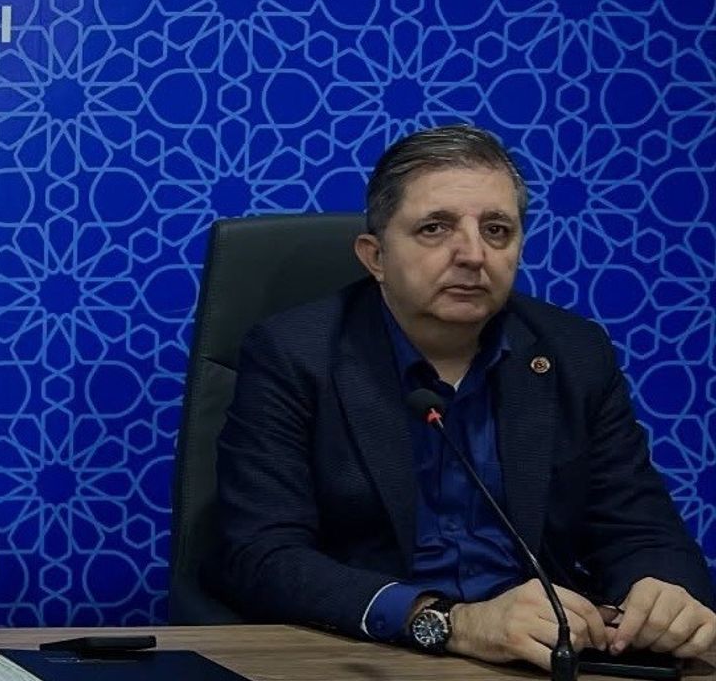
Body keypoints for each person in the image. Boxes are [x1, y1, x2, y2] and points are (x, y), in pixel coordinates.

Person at [207, 124, 715, 670]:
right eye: (435, 228)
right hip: (372, 655)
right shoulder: (295, 354)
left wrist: (664, 592)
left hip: (543, 655)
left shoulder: (573, 352)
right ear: (375, 256)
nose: (474, 254)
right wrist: (448, 622)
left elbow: (641, 527)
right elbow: (260, 554)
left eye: (497, 230)